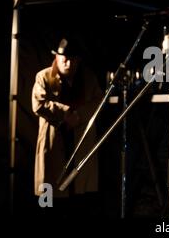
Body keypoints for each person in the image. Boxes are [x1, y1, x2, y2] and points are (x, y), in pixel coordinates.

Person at [32, 37, 102, 216]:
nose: (68, 63)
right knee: (48, 201)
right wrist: (66, 113)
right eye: (65, 58)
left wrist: (79, 116)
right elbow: (39, 103)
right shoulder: (44, 76)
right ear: (57, 57)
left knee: (78, 201)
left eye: (72, 59)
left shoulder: (89, 78)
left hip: (79, 146)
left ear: (78, 60)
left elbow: (99, 102)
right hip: (54, 147)